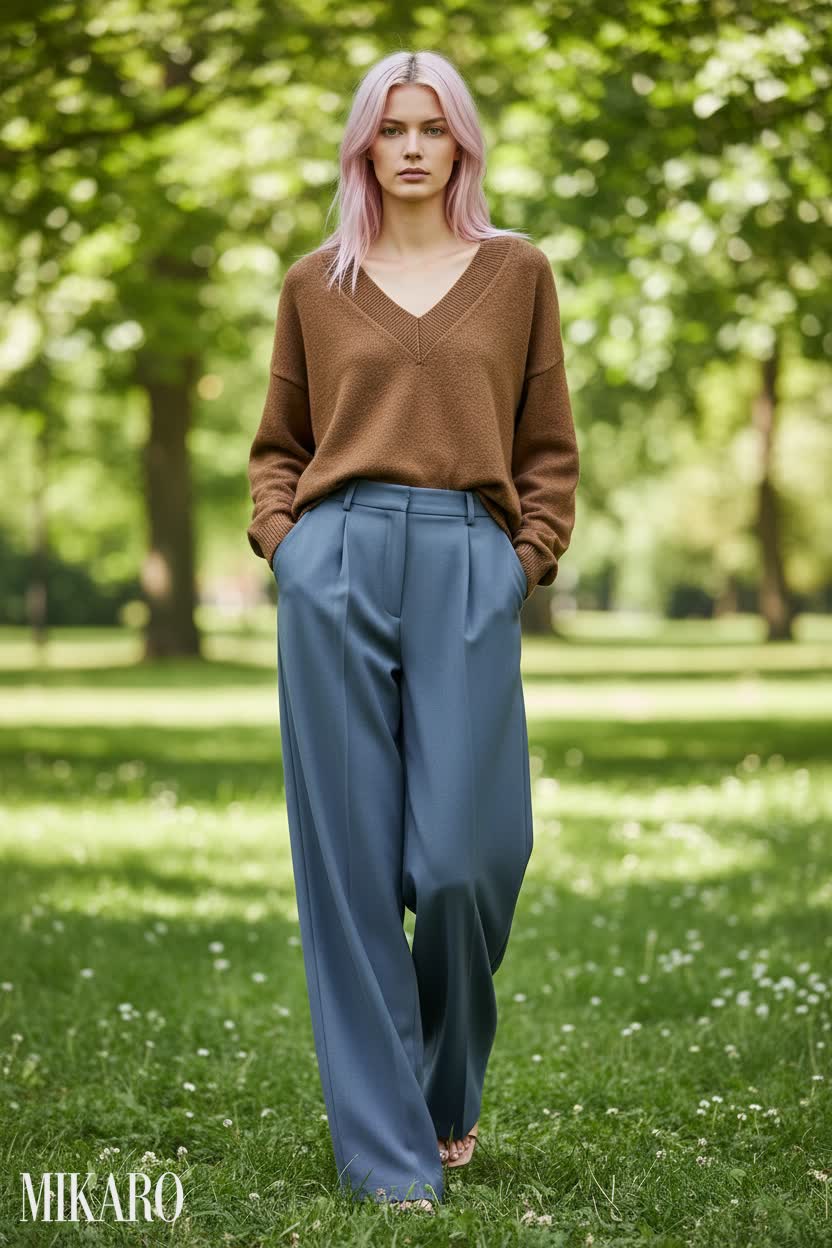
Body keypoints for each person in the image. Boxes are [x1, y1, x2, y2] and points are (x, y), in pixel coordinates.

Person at [246, 49, 580, 1213]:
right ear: (362, 146)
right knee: (347, 872)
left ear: (462, 144)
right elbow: (278, 444)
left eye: (432, 127)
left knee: (464, 861)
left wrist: (521, 559)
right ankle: (389, 1161)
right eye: (390, 129)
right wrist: (287, 547)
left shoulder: (517, 271)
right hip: (333, 561)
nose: (410, 147)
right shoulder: (314, 284)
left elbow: (546, 448)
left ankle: (446, 1090)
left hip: (467, 563)